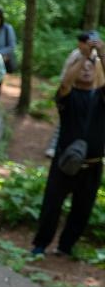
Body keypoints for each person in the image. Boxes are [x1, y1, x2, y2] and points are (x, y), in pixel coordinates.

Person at [32, 49, 105, 257]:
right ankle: (40, 245)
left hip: (92, 165)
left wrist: (100, 52)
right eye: (82, 66)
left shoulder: (101, 98)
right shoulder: (67, 97)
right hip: (64, 163)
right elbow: (64, 83)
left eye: (91, 65)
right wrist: (82, 56)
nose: (86, 69)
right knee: (51, 206)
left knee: (82, 209)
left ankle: (66, 247)